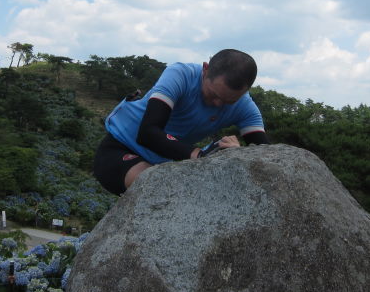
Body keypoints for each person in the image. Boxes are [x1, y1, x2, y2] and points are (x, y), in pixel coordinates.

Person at [93, 49, 269, 195]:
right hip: (120, 148)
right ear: (205, 69)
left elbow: (266, 155)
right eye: (214, 94)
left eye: (229, 101)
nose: (218, 104)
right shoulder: (180, 75)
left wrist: (237, 154)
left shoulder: (245, 107)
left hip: (162, 163)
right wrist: (202, 155)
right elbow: (148, 133)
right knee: (155, 186)